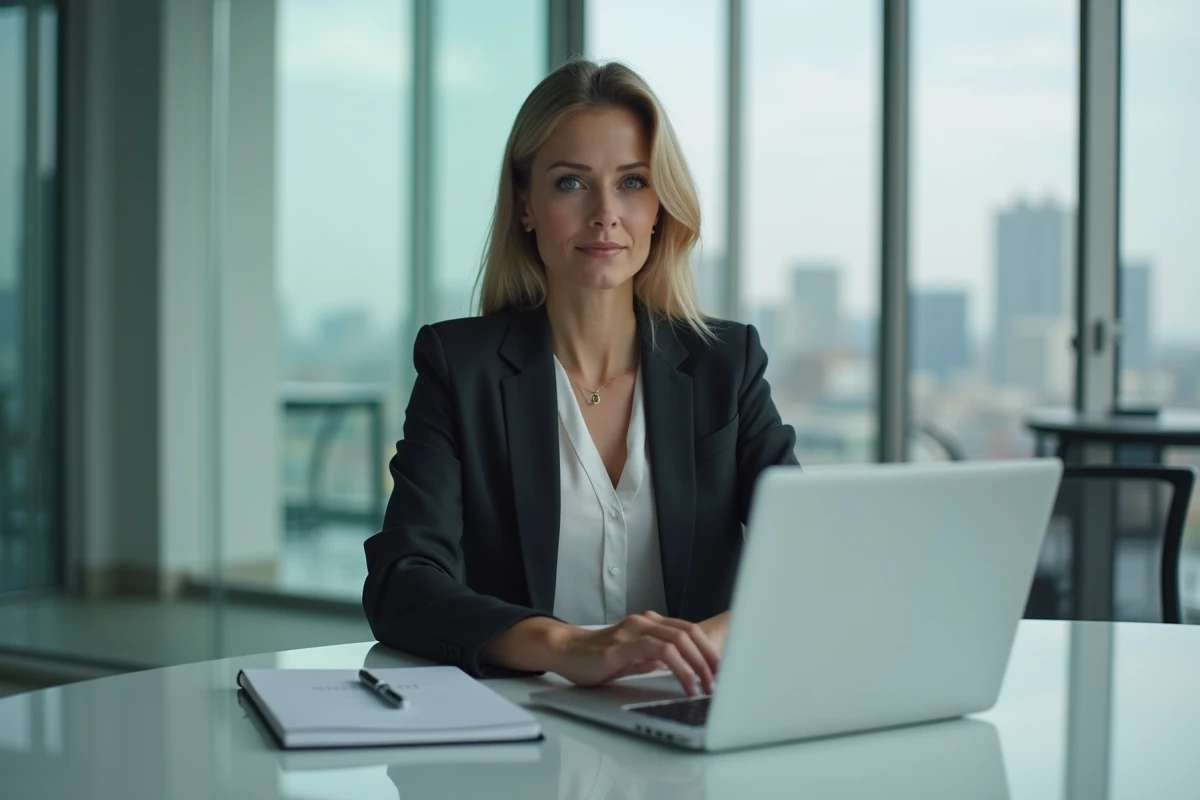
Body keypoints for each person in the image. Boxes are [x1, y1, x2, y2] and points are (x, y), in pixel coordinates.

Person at [363, 59, 797, 697]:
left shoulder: (725, 365)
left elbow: (802, 562)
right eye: (571, 183)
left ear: (660, 208)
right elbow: (403, 582)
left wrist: (690, 649)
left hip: (692, 711)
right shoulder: (462, 367)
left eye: (632, 183)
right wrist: (569, 647)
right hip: (521, 722)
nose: (605, 214)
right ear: (526, 206)